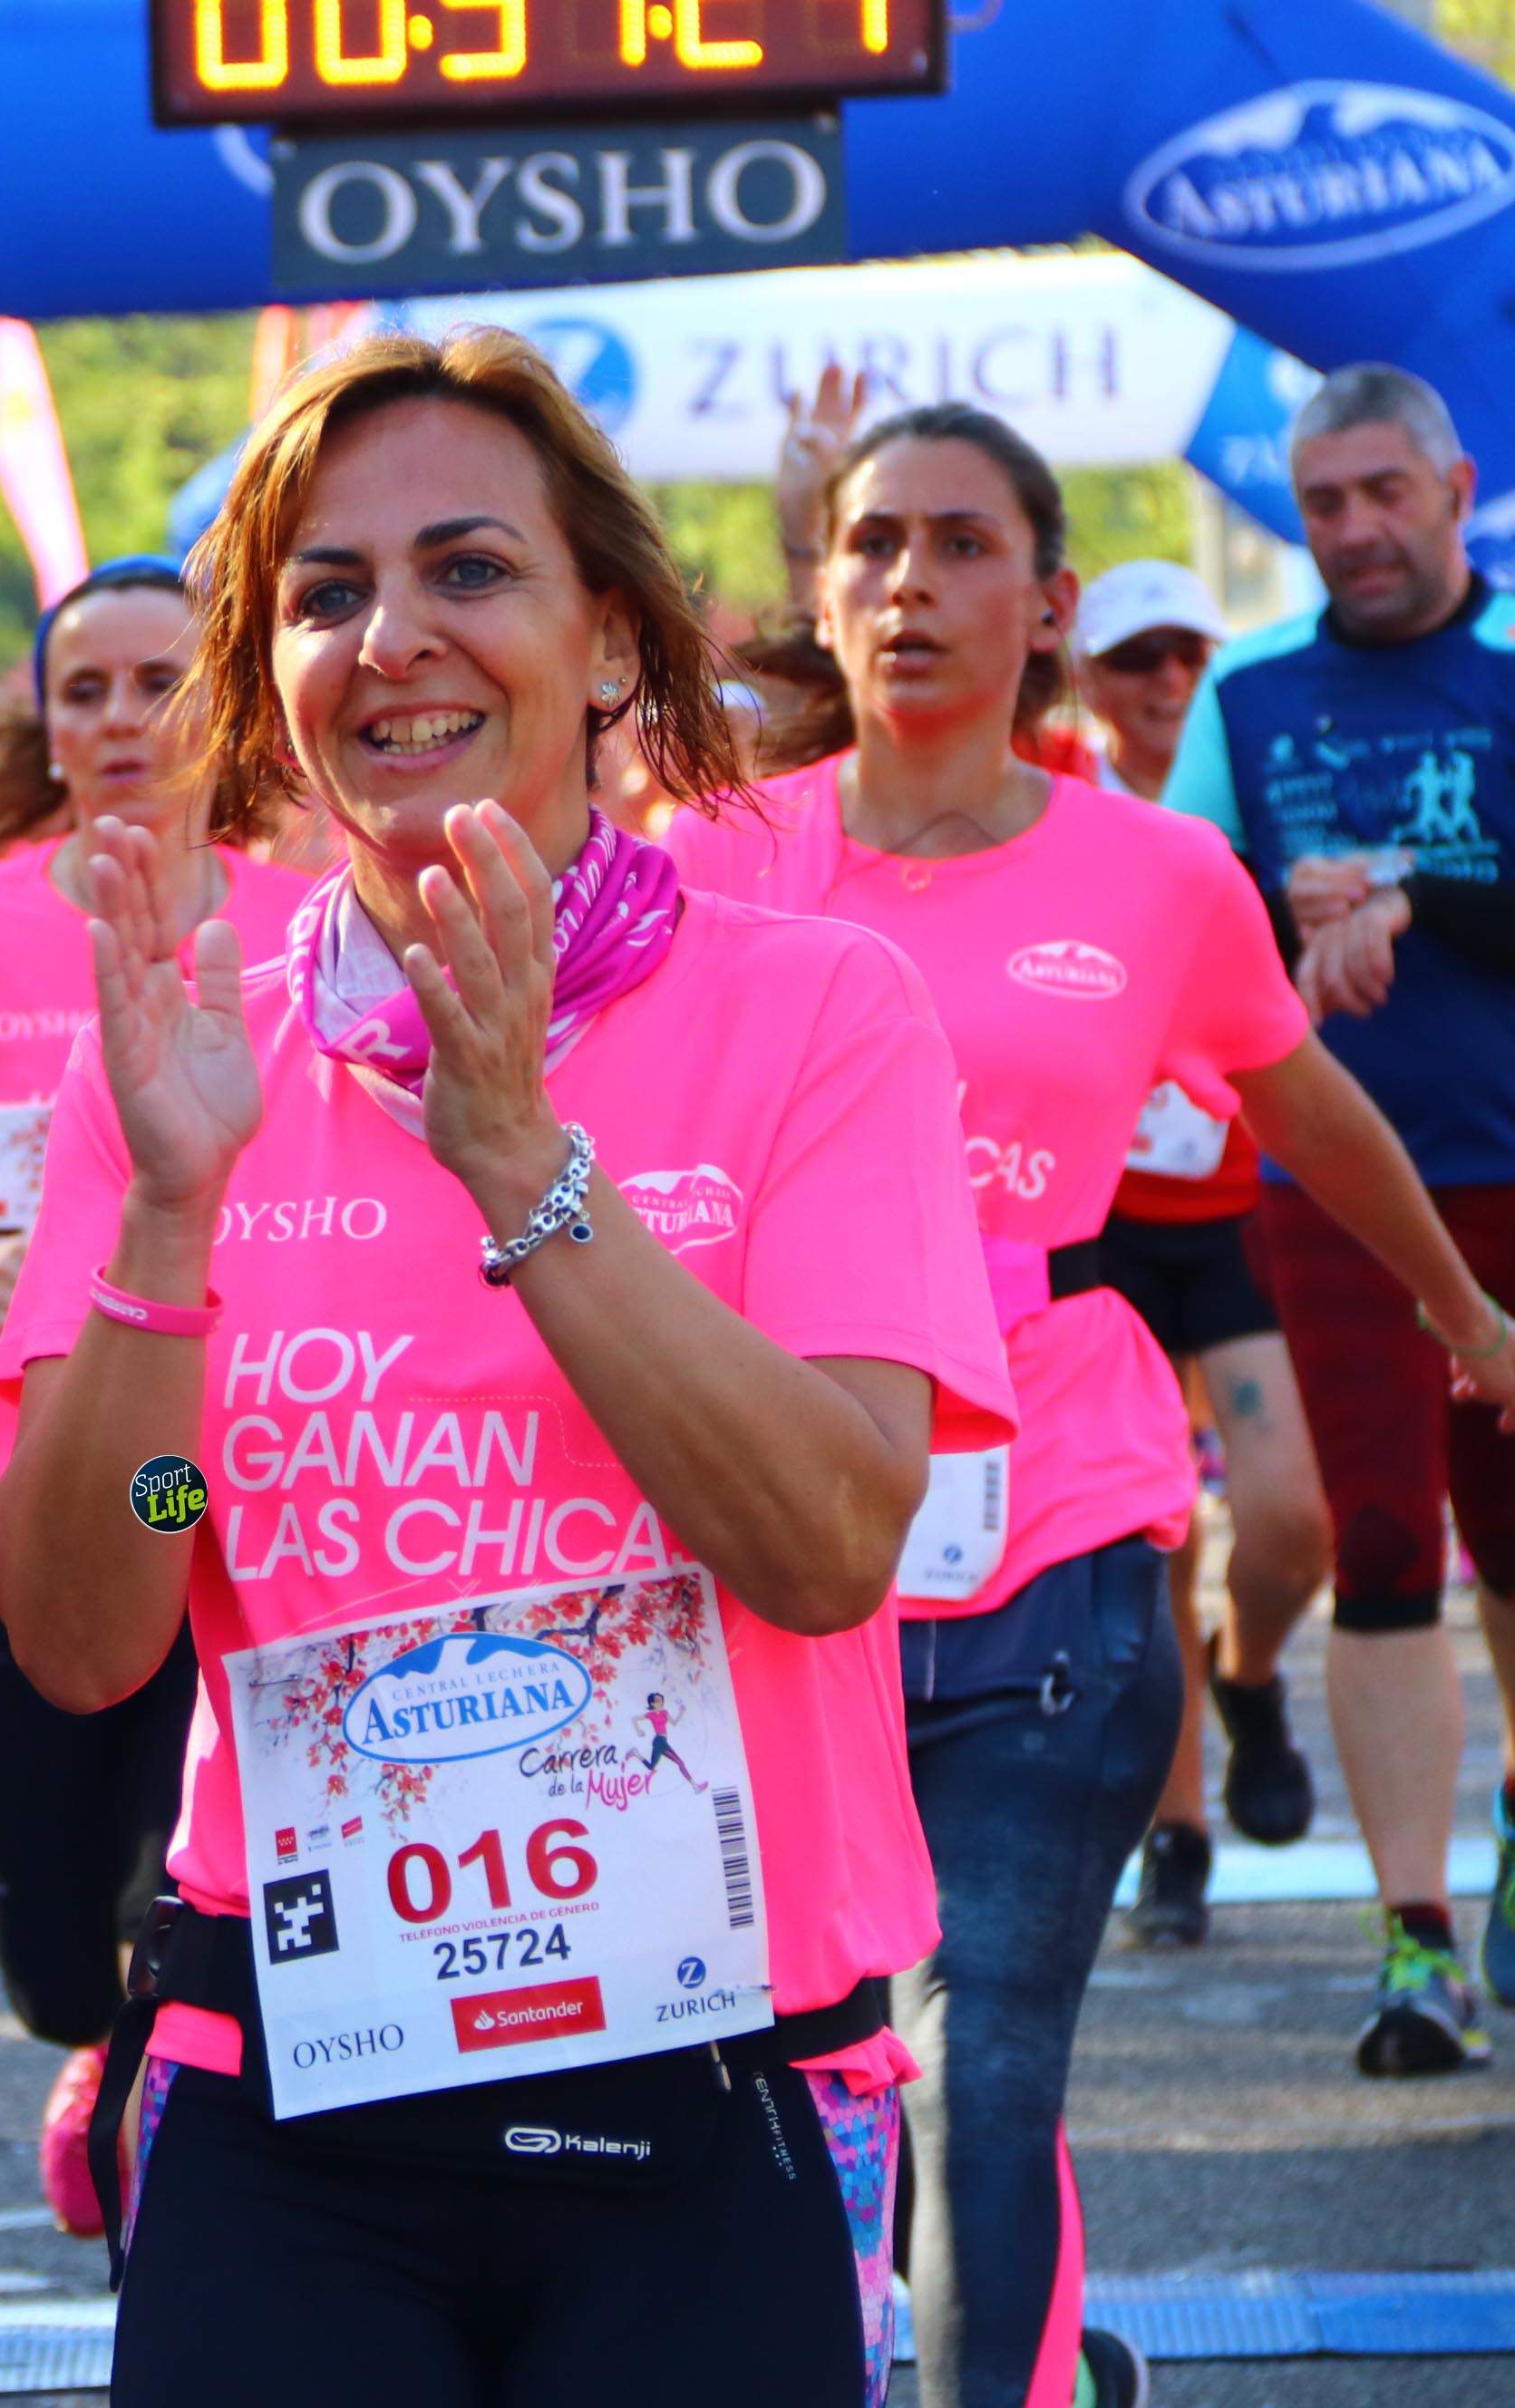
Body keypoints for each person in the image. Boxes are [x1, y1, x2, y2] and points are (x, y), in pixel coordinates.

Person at [0, 329, 1008, 2408]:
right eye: (326, 592)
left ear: (612, 641)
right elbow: (109, 1613)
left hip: (715, 2065)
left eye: (469, 570)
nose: (393, 639)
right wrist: (170, 1253)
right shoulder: (188, 1047)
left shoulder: (818, 1009)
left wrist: (525, 1167)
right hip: (291, 2064)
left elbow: (821, 1543)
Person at [684, 402, 1515, 2408]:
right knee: (802, 2048)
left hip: (1049, 1495)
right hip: (775, 1503)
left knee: (980, 2037)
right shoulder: (714, 858)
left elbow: (1310, 1103)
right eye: (874, 543)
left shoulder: (1152, 876)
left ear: (1046, 606)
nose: (909, 583)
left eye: (962, 544)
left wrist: (1467, 1308)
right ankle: (1017, 2348)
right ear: (824, 584)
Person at [0, 555, 309, 2242]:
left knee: (165, 1889)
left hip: (189, 1486)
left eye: (154, 682)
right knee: (52, 1948)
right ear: (44, 723)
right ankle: (100, 2038)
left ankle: (158, 2097)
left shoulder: (290, 923)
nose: (119, 719)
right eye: (84, 689)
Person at [1164, 362, 1515, 2050]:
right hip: (1330, 1191)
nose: (1355, 531)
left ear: (1453, 488)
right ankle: (1412, 1942)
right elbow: (1180, 916)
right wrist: (1273, 910)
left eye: (1383, 493)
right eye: (1320, 504)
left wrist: (1408, 889)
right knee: (1376, 1542)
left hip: (1508, 1166)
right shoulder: (1245, 687)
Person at [1069, 561, 1333, 1947]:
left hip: (1239, 1213)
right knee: (1147, 1540)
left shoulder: (1263, 804)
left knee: (1291, 1519)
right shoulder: (1048, 800)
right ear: (1088, 678)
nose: (1166, 685)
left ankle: (1251, 1673)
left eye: (1187, 657)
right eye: (1134, 660)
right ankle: (1177, 1834)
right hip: (1098, 1226)